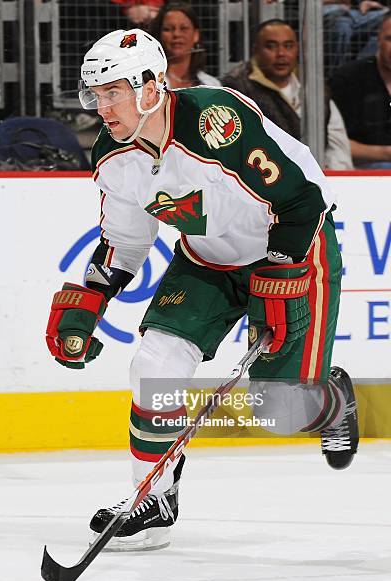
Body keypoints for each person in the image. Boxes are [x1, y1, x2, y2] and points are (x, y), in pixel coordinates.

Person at [45, 28, 359, 552]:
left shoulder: (218, 124)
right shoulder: (112, 156)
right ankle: (154, 496)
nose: (102, 107)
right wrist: (91, 300)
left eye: (112, 92)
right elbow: (123, 242)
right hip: (208, 259)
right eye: (95, 94)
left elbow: (302, 200)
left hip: (296, 246)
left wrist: (278, 276)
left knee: (278, 411)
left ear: (150, 88)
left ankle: (333, 401)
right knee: (154, 362)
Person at [221, 19, 353, 170]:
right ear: (256, 51)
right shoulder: (236, 89)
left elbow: (337, 146)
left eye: (288, 46)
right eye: (271, 46)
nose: (281, 54)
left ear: (297, 48)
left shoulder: (315, 87)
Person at [330, 12, 391, 168]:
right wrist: (386, 153)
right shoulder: (347, 78)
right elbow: (335, 142)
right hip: (361, 169)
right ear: (378, 39)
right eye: (390, 39)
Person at [150, 2, 221, 89]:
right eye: (168, 29)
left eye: (184, 28)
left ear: (196, 35)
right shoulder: (148, 82)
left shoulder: (212, 85)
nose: (176, 34)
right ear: (159, 35)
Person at [323, 0, 389, 74]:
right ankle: (337, 77)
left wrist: (365, 2)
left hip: (353, 12)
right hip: (330, 10)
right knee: (342, 26)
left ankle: (361, 72)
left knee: (387, 18)